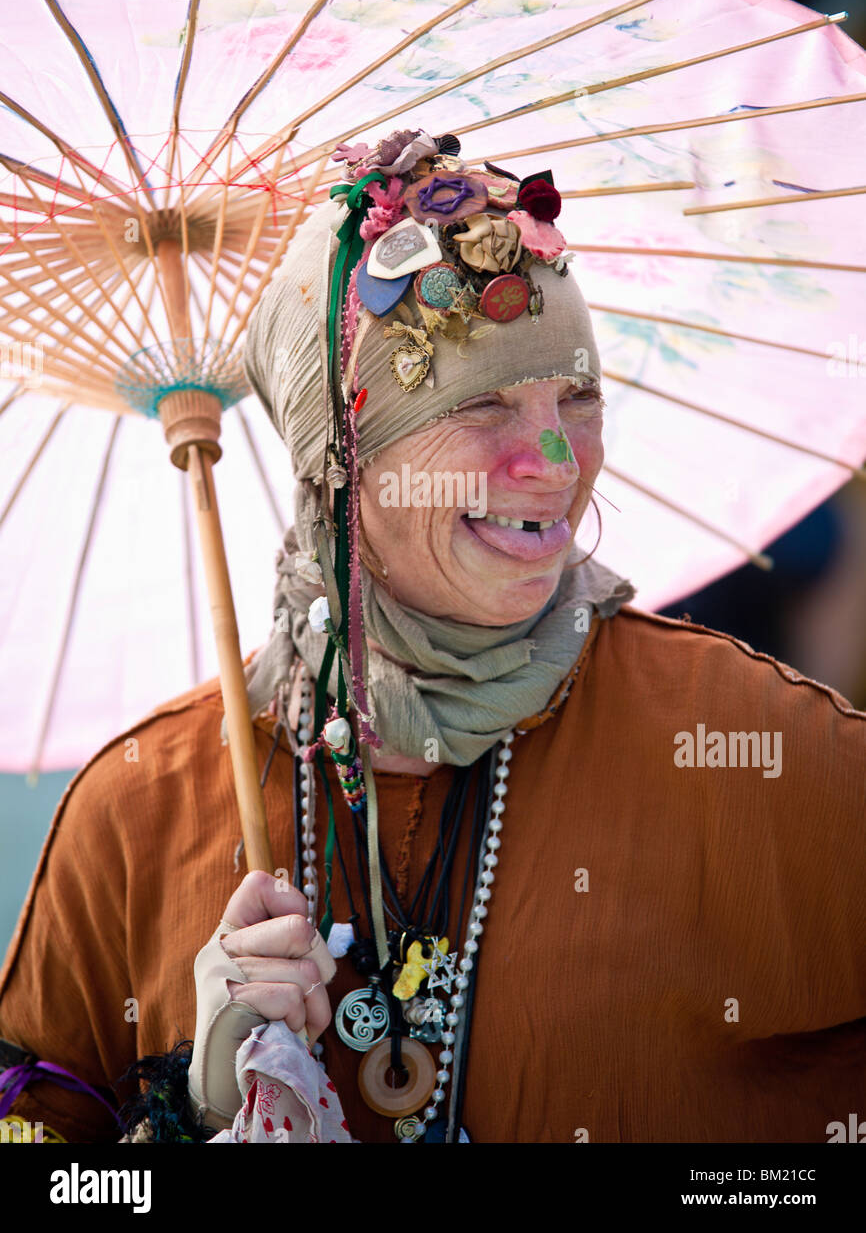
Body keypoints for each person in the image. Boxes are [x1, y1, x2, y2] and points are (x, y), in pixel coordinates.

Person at [1, 130, 864, 1144]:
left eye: (575, 397)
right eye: (482, 403)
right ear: (339, 459)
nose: (553, 461)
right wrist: (202, 1104)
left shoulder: (751, 748)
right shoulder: (138, 809)